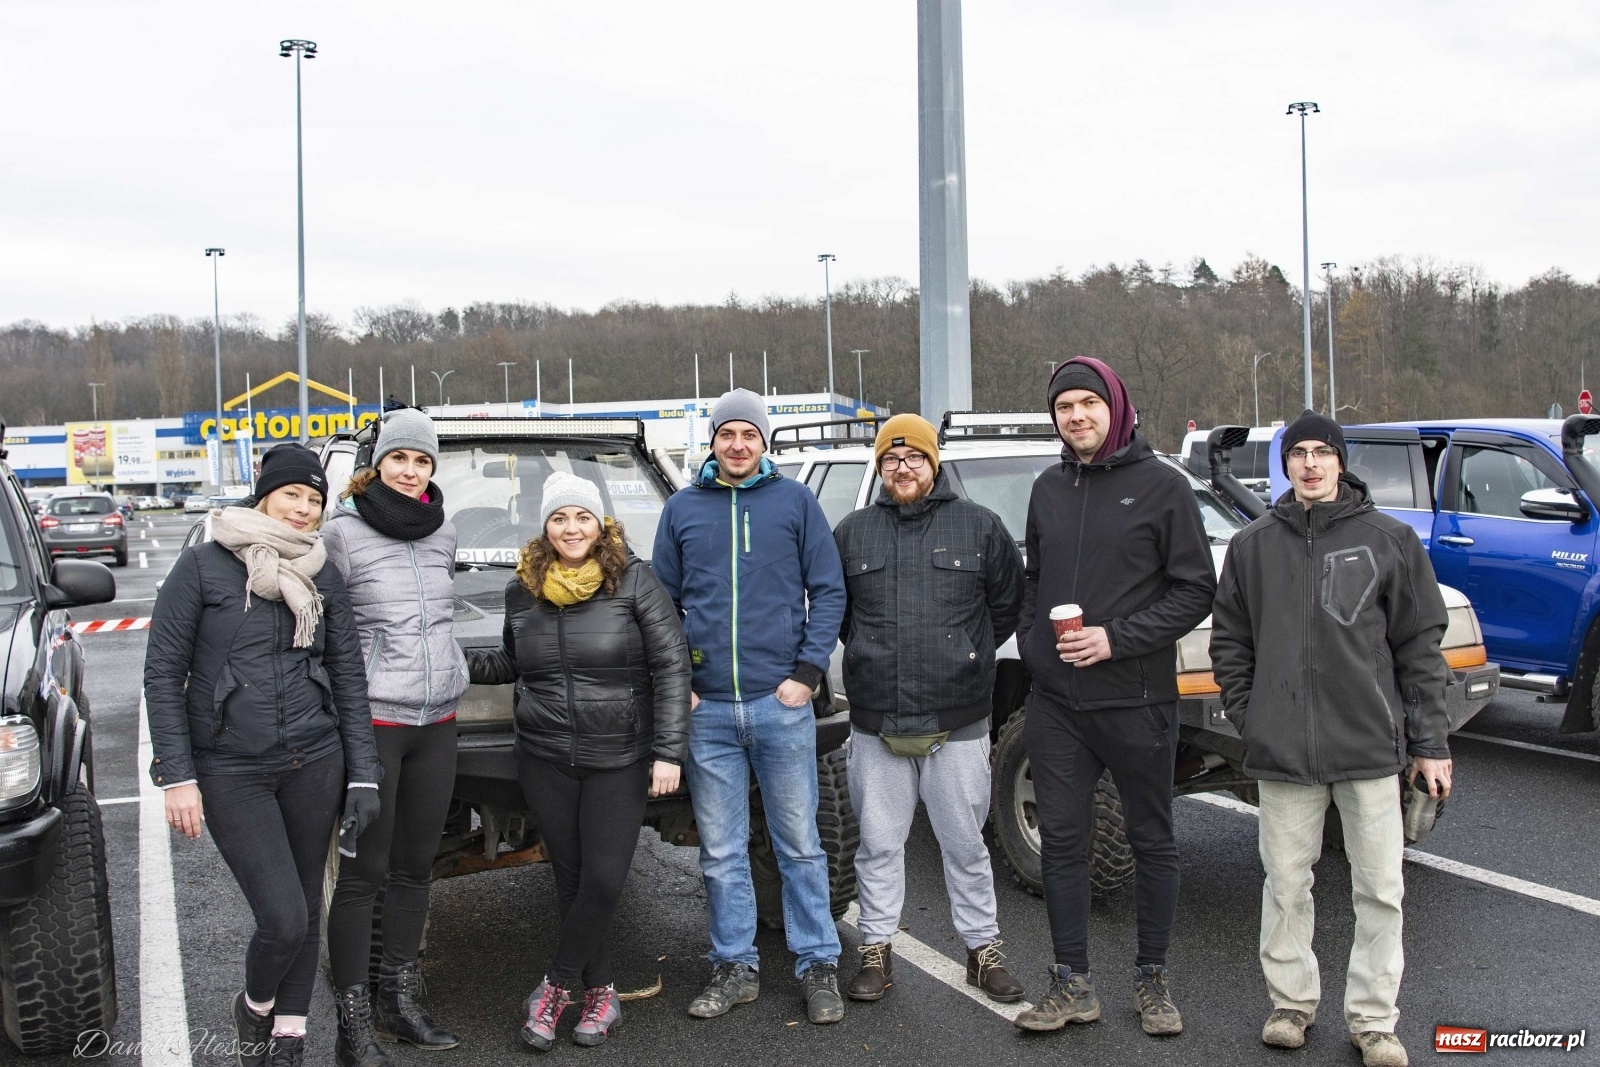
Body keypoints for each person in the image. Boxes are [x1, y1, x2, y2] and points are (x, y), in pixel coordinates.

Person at [1209, 411, 1452, 1067]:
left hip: (1370, 750)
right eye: (1299, 453)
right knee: (1286, 883)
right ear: (1284, 464)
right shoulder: (1254, 546)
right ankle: (1291, 1003)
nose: (1310, 463)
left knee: (1380, 888)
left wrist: (1431, 742)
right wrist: (1250, 713)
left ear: (1341, 462)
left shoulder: (1390, 540)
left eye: (1322, 452)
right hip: (1284, 752)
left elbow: (1421, 650)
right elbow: (1229, 641)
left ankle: (1374, 1022)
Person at [143, 444, 382, 1067]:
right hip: (230, 768)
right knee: (282, 917)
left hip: (315, 761)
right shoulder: (201, 566)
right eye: (292, 495)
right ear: (264, 496)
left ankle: (289, 1038)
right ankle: (253, 1008)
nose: (304, 510)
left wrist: (364, 775)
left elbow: (348, 676)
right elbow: (163, 674)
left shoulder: (323, 572)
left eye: (313, 499)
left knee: (306, 904)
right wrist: (177, 775)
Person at [1011, 357, 1216, 1037]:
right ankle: (1072, 981)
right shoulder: (1046, 488)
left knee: (1152, 840)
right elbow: (1033, 579)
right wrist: (1038, 649)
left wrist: (1117, 638)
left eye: (1087, 404)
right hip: (1058, 704)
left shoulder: (1162, 487)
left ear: (1115, 406)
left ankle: (1152, 978)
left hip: (1136, 700)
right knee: (1062, 843)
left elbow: (1195, 589)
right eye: (1064, 406)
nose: (1076, 416)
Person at [469, 471, 691, 1051]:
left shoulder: (636, 582)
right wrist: (444, 657)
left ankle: (554, 986)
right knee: (569, 878)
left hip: (618, 755)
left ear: (601, 525)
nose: (571, 528)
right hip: (544, 757)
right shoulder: (524, 590)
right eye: (560, 518)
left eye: (582, 517)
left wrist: (669, 751)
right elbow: (512, 664)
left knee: (603, 877)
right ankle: (603, 993)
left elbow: (672, 667)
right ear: (545, 526)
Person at [650, 388, 849, 1026]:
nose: (738, 445)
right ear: (711, 442)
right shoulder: (682, 509)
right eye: (727, 434)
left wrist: (808, 673)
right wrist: (679, 679)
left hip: (780, 704)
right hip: (707, 714)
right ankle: (733, 965)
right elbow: (661, 606)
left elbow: (830, 589)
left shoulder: (795, 503)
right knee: (721, 851)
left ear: (766, 443)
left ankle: (818, 964)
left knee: (799, 845)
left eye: (749, 435)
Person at [832, 414, 1027, 1005]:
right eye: (890, 460)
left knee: (965, 844)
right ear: (879, 466)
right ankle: (875, 950)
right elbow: (840, 616)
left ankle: (982, 950)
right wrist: (870, 654)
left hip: (959, 719)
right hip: (876, 721)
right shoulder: (853, 532)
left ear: (933, 462)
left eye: (913, 457)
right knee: (879, 845)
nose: (902, 468)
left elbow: (1007, 607)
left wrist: (966, 657)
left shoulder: (980, 526)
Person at [321, 408, 467, 1067]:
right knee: (363, 874)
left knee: (416, 867)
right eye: (400, 458)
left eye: (423, 460)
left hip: (437, 721)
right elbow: (327, 632)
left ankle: (398, 997)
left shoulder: (445, 532)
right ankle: (352, 1020)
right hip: (376, 723)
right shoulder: (342, 533)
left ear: (434, 468)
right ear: (378, 463)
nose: (410, 471)